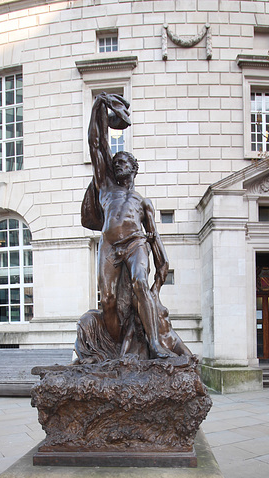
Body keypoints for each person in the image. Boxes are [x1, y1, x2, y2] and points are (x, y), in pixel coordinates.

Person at [83, 92, 178, 360]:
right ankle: (114, 351)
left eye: (123, 162)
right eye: (115, 162)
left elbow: (155, 237)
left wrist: (162, 265)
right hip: (110, 245)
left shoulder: (142, 201)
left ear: (134, 169)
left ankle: (155, 344)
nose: (117, 164)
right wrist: (99, 105)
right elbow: (97, 143)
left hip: (136, 242)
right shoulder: (106, 187)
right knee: (108, 301)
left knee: (139, 283)